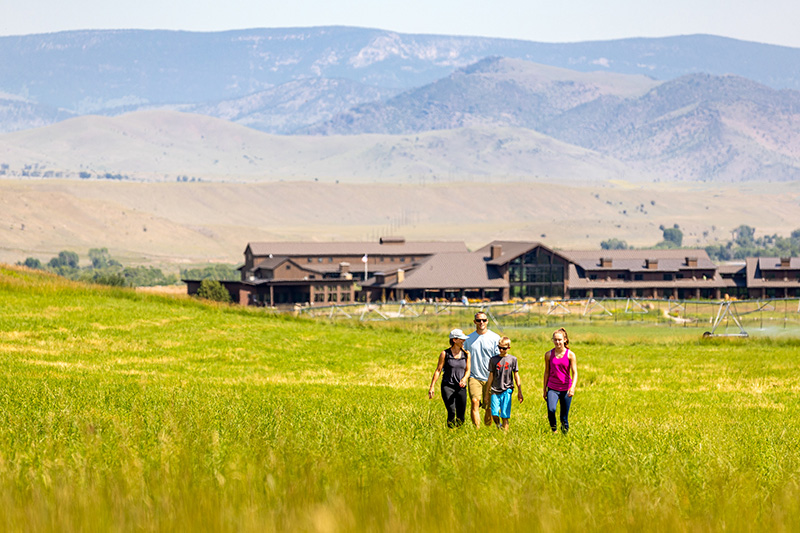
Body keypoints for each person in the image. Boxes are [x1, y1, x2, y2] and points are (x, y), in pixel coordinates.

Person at [464, 311, 501, 427]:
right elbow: (464, 357)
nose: (481, 323)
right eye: (479, 320)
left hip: (490, 377)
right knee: (475, 402)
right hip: (474, 376)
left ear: (487, 321)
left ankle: (487, 428)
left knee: (489, 406)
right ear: (474, 322)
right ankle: (477, 430)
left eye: (484, 320)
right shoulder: (468, 339)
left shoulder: (495, 338)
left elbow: (499, 359)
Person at [428, 328, 471, 428]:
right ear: (454, 340)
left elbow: (468, 371)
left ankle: (459, 433)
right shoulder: (445, 354)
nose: (463, 341)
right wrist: (432, 387)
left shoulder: (466, 354)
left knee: (461, 414)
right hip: (448, 386)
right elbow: (438, 370)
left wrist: (464, 379)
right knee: (451, 411)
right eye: (461, 339)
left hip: (461, 387)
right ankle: (450, 431)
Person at [542, 327, 578, 434]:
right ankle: (554, 431)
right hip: (552, 388)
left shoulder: (570, 355)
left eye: (559, 340)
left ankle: (564, 436)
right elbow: (546, 372)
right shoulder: (548, 355)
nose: (557, 342)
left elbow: (575, 373)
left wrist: (572, 388)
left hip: (566, 389)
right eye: (555, 340)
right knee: (551, 410)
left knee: (564, 416)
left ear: (565, 340)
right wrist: (544, 389)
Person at [484, 336, 523, 431]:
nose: (501, 350)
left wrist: (519, 391)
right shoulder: (493, 360)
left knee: (505, 415)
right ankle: (498, 425)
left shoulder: (513, 359)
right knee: (494, 414)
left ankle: (504, 436)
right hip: (495, 390)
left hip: (507, 389)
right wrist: (486, 393)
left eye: (504, 348)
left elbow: (516, 375)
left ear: (508, 348)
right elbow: (491, 376)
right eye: (499, 347)